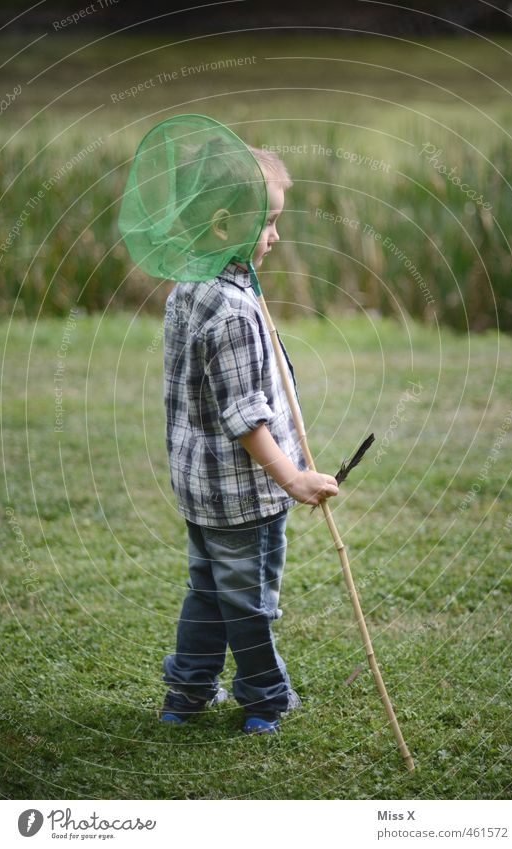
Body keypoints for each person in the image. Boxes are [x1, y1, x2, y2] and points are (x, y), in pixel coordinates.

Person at [161, 145, 339, 734]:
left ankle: (187, 693)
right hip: (245, 496)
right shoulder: (235, 312)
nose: (275, 235)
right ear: (223, 224)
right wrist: (294, 478)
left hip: (199, 489)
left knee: (208, 593)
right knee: (248, 603)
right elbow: (244, 417)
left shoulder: (189, 285)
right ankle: (266, 700)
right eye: (266, 222)